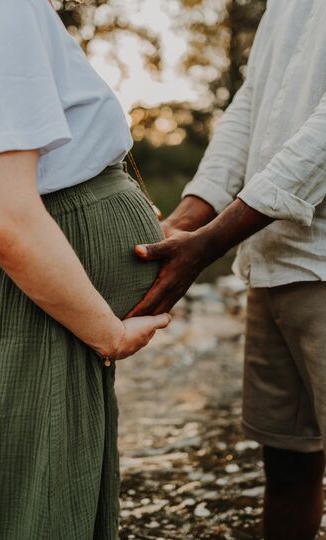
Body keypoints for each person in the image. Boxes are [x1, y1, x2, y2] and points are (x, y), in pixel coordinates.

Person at [0, 0, 171, 538]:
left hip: (37, 292)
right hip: (25, 294)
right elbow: (3, 212)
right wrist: (109, 333)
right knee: (25, 496)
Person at [129, 0, 326, 538]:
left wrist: (213, 240)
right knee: (286, 462)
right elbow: (251, 103)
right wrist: (189, 217)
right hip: (269, 262)